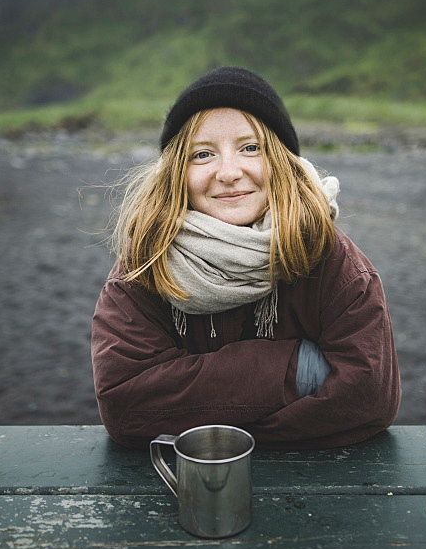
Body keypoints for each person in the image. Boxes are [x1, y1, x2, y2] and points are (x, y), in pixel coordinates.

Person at [91, 66, 401, 449]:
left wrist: (206, 428)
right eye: (202, 154)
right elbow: (124, 403)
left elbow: (368, 400)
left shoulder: (334, 262)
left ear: (281, 161)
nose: (229, 173)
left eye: (250, 148)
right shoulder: (143, 267)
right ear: (176, 173)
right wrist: (298, 370)